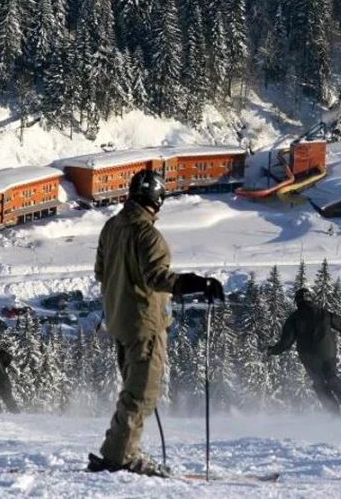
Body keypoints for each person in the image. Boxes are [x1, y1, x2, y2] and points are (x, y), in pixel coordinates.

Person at [90, 169, 224, 477]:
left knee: (133, 391)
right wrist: (196, 283)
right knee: (143, 395)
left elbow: (101, 271)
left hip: (120, 322)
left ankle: (119, 449)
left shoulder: (111, 227)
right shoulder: (148, 234)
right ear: (158, 199)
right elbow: (158, 278)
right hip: (145, 325)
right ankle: (120, 456)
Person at [267, 287, 341, 415]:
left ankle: (335, 413)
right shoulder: (324, 313)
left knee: (319, 382)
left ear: (297, 301)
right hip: (328, 353)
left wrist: (273, 350)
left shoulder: (294, 318)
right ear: (311, 299)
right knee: (332, 377)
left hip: (309, 356)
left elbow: (286, 342)